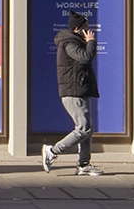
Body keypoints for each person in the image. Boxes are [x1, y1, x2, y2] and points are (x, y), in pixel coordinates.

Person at [41, 10, 101, 176]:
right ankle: (52, 151)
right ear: (77, 29)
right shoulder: (69, 43)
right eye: (86, 28)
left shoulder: (74, 41)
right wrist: (91, 42)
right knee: (83, 129)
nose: (89, 31)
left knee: (87, 129)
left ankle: (84, 165)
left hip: (80, 89)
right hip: (73, 91)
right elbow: (85, 57)